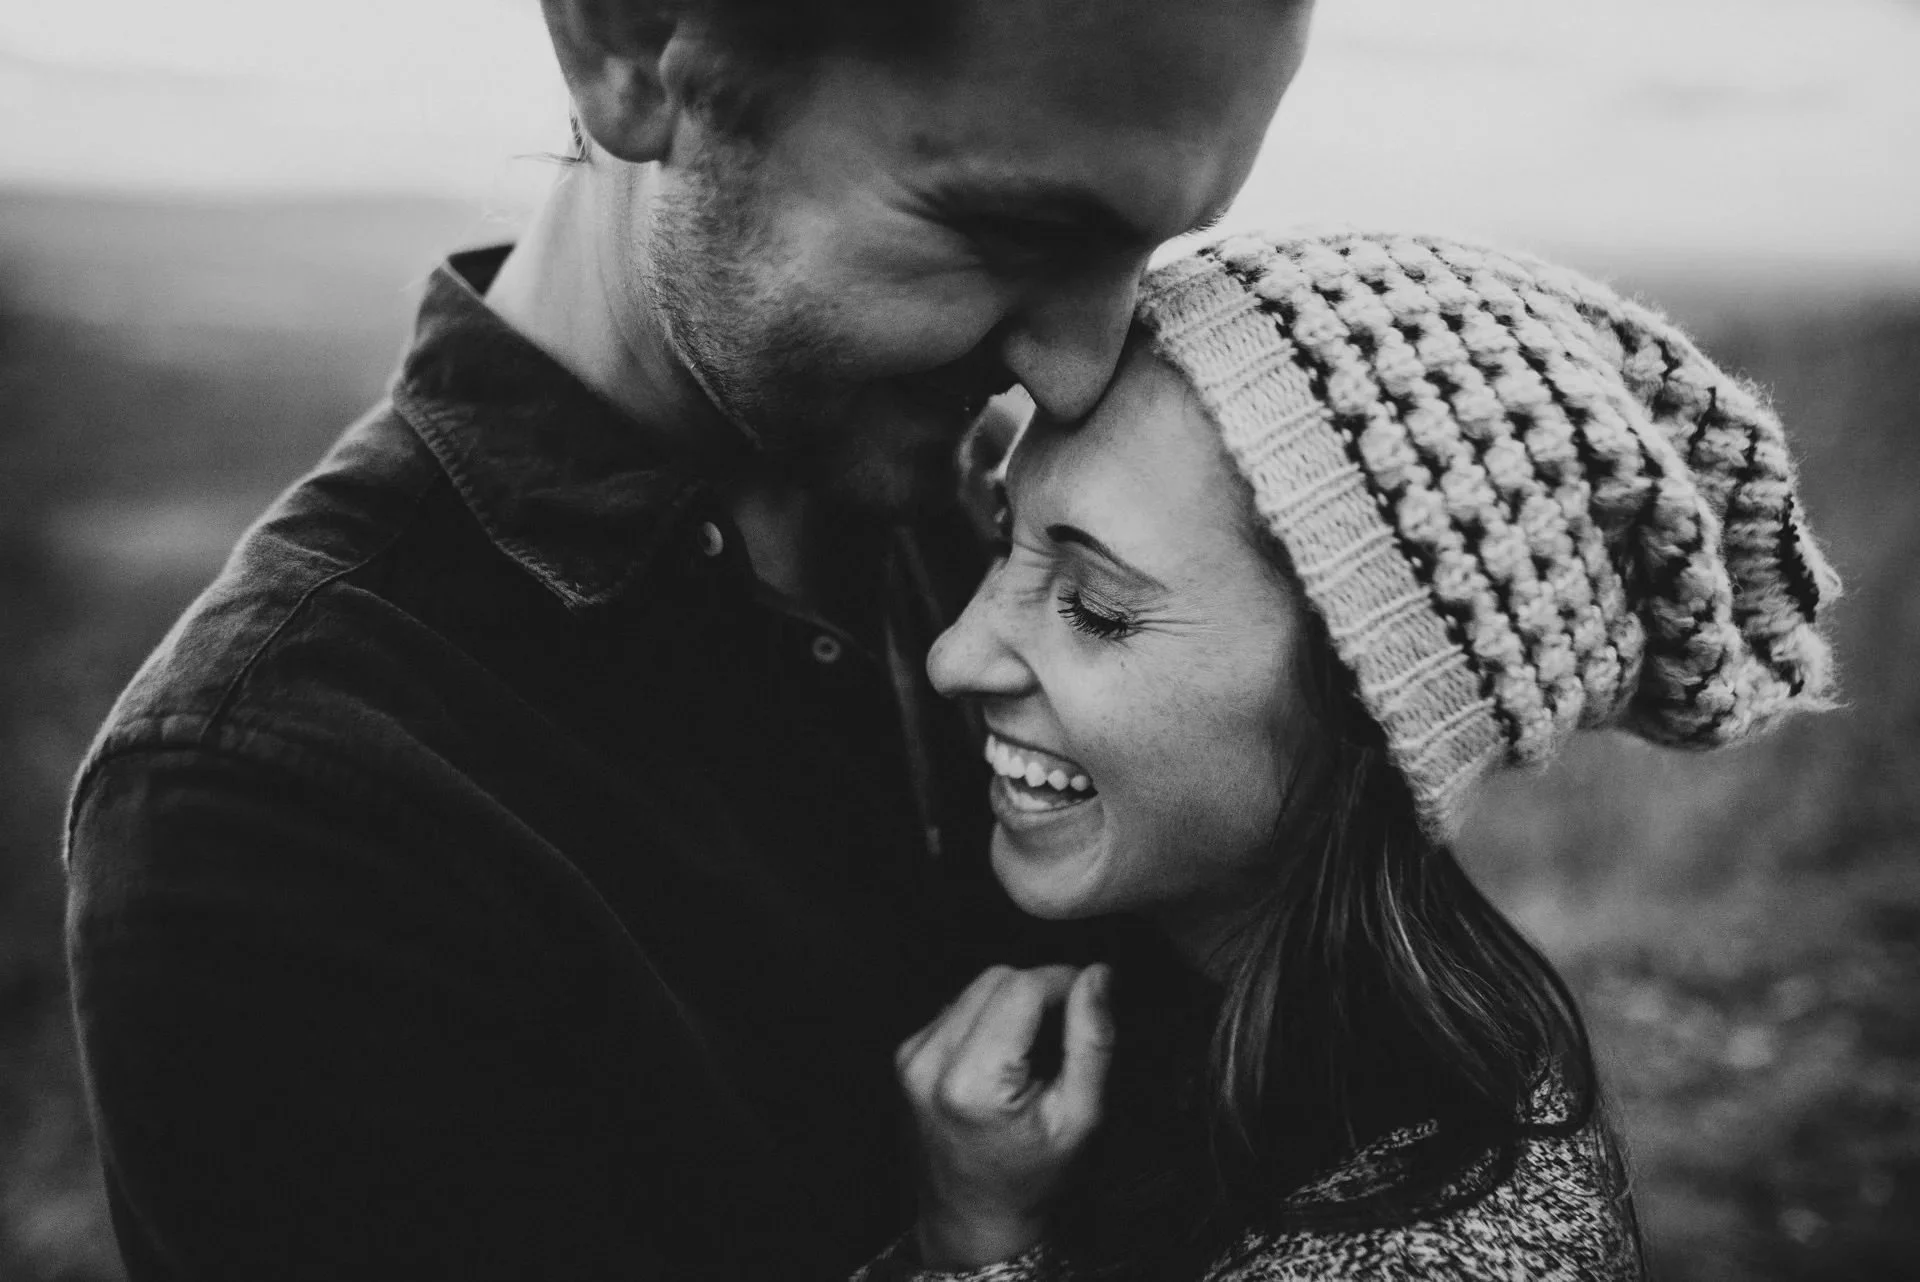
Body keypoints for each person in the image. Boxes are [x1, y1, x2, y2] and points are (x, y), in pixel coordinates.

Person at [62, 3, 1317, 1279]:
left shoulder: (1012, 518)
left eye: (1147, 250)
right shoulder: (279, 805)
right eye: (1018, 230)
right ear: (625, 47)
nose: (1076, 371)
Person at [870, 231, 1841, 1280]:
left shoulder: (1440, 1251)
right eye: (1000, 534)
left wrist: (976, 1248)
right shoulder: (1138, 976)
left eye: (1096, 607)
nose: (953, 655)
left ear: (1372, 712)